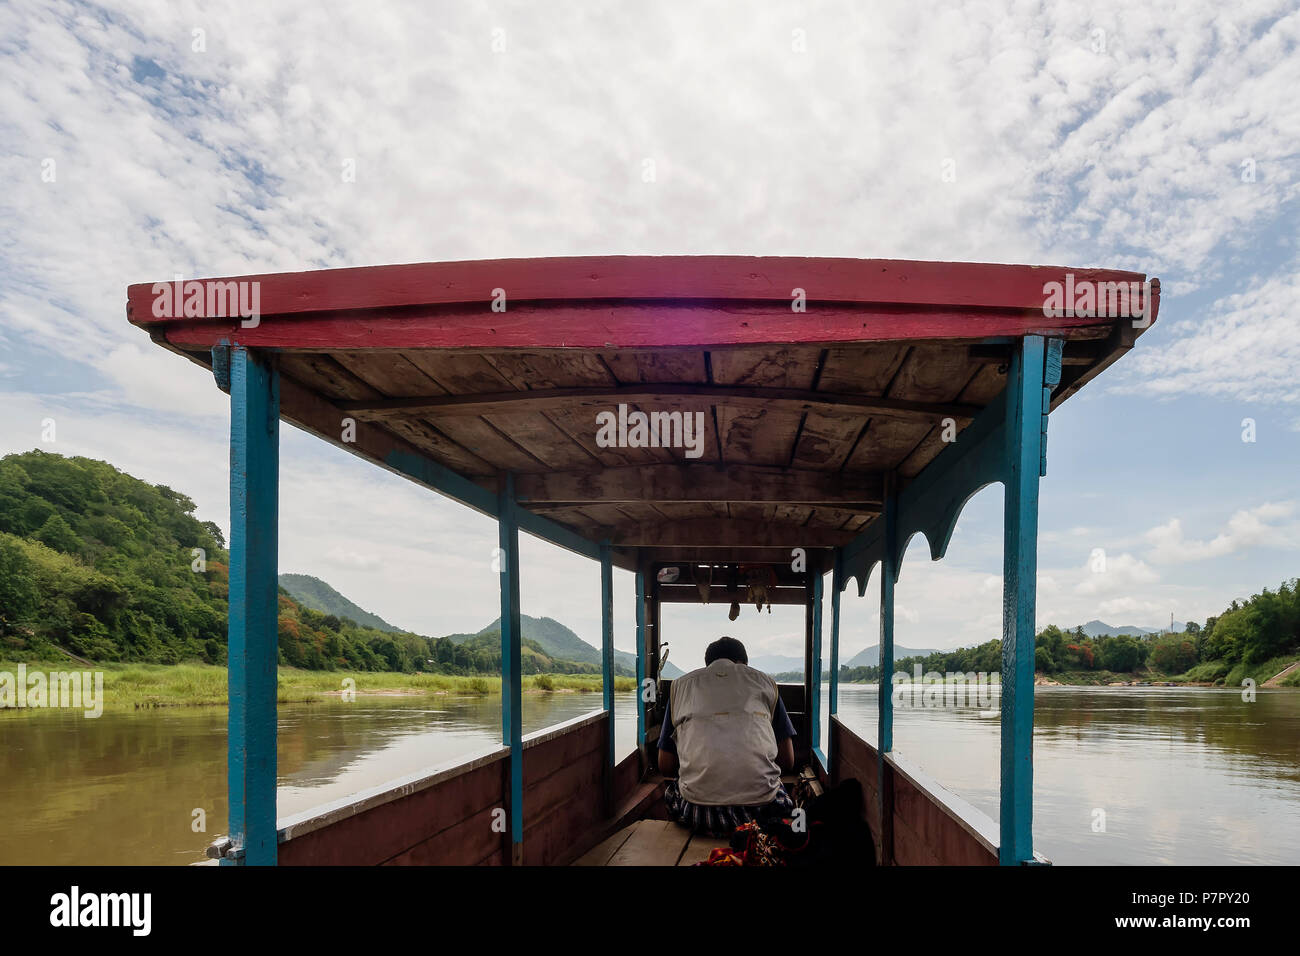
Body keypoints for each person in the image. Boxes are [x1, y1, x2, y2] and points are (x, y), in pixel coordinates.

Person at [656, 636, 797, 835]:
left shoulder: (680, 687)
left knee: (673, 793)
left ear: (708, 665)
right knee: (781, 796)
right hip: (762, 812)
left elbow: (665, 765)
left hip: (699, 815)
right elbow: (787, 760)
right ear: (744, 664)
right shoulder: (765, 683)